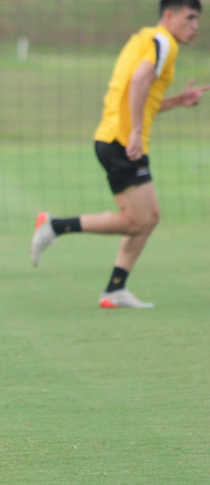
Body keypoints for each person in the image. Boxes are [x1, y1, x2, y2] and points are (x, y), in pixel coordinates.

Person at [31, 0, 208, 308]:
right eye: (190, 17)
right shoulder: (165, 42)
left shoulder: (144, 38)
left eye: (198, 20)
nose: (195, 26)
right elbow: (139, 82)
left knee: (149, 218)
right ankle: (55, 226)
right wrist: (137, 132)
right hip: (123, 142)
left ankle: (116, 288)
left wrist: (178, 100)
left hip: (116, 138)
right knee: (137, 220)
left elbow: (140, 95)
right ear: (169, 15)